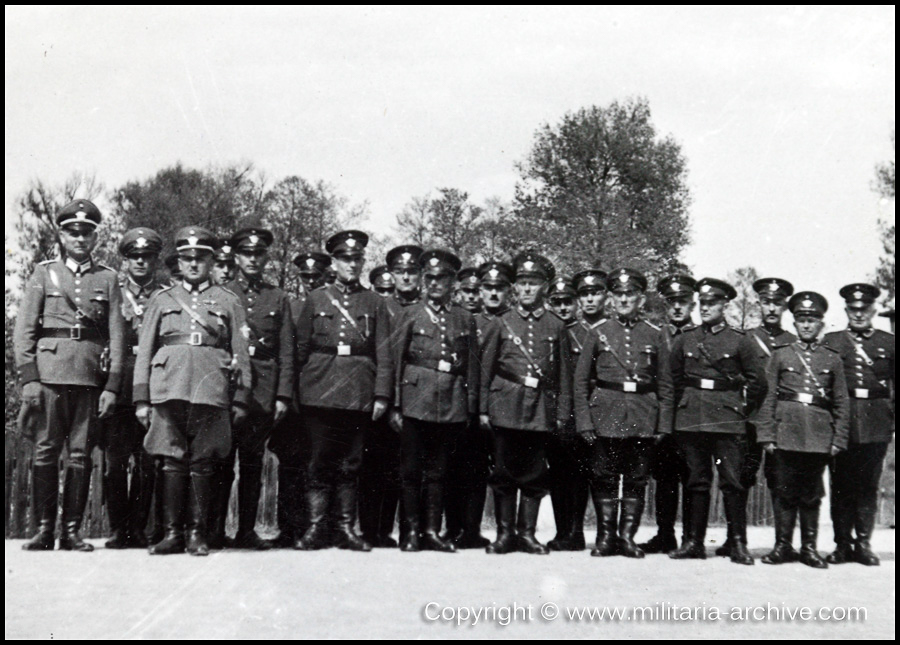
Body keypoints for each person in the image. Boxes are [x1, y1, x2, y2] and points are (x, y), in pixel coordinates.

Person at [15, 199, 125, 551]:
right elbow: (24, 331)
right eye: (73, 232)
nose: (80, 239)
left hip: (89, 378)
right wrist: (29, 377)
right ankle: (45, 529)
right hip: (49, 375)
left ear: (95, 237)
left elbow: (118, 337)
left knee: (80, 454)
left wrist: (112, 385)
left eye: (87, 233)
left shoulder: (107, 278)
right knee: (46, 452)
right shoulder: (43, 273)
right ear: (62, 236)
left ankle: (72, 530)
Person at [133, 226, 251, 556]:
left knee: (203, 462)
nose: (194, 264)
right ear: (178, 262)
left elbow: (241, 351)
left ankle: (197, 533)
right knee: (171, 460)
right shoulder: (162, 299)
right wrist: (141, 398)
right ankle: (172, 533)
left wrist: (241, 396)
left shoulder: (229, 301)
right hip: (168, 385)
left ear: (211, 261)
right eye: (188, 259)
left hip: (210, 387)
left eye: (201, 258)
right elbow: (144, 350)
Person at [293, 230, 391, 552]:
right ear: (333, 263)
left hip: (359, 390)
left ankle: (346, 528)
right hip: (319, 389)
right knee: (319, 460)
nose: (352, 264)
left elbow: (384, 352)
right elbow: (301, 348)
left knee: (351, 463)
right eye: (345, 259)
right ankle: (316, 528)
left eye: (357, 259)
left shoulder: (375, 302)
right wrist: (297, 393)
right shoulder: (316, 298)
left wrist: (381, 395)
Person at [574, 268, 673, 558]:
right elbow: (581, 382)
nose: (624, 299)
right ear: (611, 298)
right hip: (605, 415)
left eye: (630, 294)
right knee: (603, 476)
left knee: (636, 478)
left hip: (642, 416)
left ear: (641, 300)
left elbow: (665, 384)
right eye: (618, 294)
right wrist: (584, 421)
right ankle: (606, 538)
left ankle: (627, 538)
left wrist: (663, 425)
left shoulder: (655, 335)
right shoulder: (598, 333)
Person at [479, 252, 573, 555]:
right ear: (514, 288)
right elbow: (486, 368)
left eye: (534, 283)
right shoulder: (501, 323)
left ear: (544, 287)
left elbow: (563, 376)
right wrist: (482, 408)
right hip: (506, 403)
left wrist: (561, 413)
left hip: (539, 408)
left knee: (534, 473)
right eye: (522, 283)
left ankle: (527, 534)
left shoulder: (556, 326)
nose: (528, 289)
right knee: (504, 471)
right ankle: (505, 535)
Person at [667, 278, 765, 564]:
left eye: (713, 303)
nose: (707, 308)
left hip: (727, 420)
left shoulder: (739, 340)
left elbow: (758, 382)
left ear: (725, 305)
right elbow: (673, 379)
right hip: (692, 419)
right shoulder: (686, 338)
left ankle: (737, 543)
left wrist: (740, 407)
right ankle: (694, 542)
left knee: (732, 482)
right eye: (703, 303)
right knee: (696, 481)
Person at [390, 250, 479, 552]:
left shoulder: (465, 318)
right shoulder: (410, 314)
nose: (436, 283)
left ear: (453, 282)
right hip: (415, 399)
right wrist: (396, 404)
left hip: (450, 401)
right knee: (411, 470)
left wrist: (470, 405)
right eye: (430, 277)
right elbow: (395, 360)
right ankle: (410, 532)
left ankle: (431, 530)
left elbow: (472, 366)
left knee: (438, 472)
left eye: (443, 278)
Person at [213, 227, 294, 550]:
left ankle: (246, 530)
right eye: (246, 253)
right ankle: (215, 529)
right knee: (221, 461)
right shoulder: (222, 293)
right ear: (236, 256)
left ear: (265, 257)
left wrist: (283, 395)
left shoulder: (278, 297)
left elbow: (286, 351)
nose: (252, 259)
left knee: (252, 462)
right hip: (228, 387)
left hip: (262, 388)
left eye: (259, 253)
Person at [757, 292, 849, 568]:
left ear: (821, 324)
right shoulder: (780, 355)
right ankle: (782, 546)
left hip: (818, 436)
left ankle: (809, 548)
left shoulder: (832, 359)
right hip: (786, 433)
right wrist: (766, 435)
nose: (807, 325)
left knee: (811, 495)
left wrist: (839, 439)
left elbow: (842, 402)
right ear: (794, 323)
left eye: (812, 320)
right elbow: (768, 397)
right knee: (784, 492)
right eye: (801, 320)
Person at [716, 277, 798, 558]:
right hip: (748, 418)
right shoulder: (746, 338)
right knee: (739, 477)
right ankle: (734, 539)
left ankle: (782, 543)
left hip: (779, 422)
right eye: (766, 302)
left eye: (777, 303)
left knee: (780, 481)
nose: (772, 308)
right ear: (759, 304)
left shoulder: (793, 342)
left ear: (785, 306)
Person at [823, 283, 895, 566]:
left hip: (877, 419)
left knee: (868, 484)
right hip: (842, 420)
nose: (858, 314)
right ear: (846, 310)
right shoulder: (832, 340)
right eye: (853, 309)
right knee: (840, 483)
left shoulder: (889, 343)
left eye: (864, 309)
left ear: (873, 310)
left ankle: (863, 543)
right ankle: (842, 544)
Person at [104, 227, 165, 549]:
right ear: (124, 261)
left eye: (146, 256)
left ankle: (139, 527)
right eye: (134, 257)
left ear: (156, 259)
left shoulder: (166, 294)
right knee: (115, 462)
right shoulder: (113, 290)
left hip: (153, 386)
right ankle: (117, 528)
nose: (140, 262)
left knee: (147, 461)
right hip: (119, 384)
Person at [267, 251, 332, 548]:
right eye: (305, 277)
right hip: (292, 399)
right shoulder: (290, 307)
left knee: (319, 463)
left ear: (325, 276)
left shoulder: (330, 307)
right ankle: (288, 527)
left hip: (320, 396)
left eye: (316, 276)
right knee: (290, 463)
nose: (310, 282)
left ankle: (318, 528)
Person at [546, 270, 606, 551]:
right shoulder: (548, 331)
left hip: (581, 412)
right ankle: (562, 532)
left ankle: (576, 532)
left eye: (567, 302)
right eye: (556, 302)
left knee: (581, 474)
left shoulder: (586, 333)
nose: (562, 308)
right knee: (558, 475)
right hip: (552, 412)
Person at [640, 274, 696, 554]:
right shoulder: (654, 334)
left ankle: (691, 537)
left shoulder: (699, 336)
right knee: (664, 478)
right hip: (661, 417)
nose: (677, 308)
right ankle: (665, 534)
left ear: (693, 304)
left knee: (692, 478)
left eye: (682, 302)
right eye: (672, 302)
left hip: (689, 417)